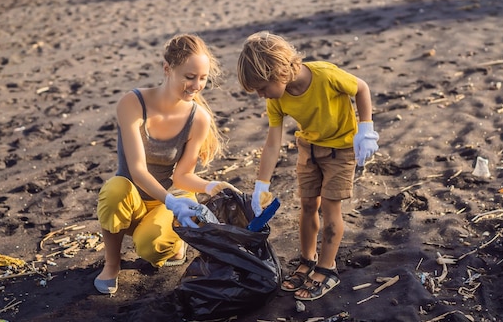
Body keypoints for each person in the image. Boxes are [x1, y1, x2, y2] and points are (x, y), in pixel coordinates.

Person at [236, 31, 379, 301]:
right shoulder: (276, 99)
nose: (260, 95)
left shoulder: (325, 75)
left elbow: (361, 88)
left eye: (262, 87)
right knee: (308, 205)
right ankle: (307, 260)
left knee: (330, 207)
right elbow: (272, 143)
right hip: (308, 149)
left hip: (340, 150)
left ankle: (328, 269)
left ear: (278, 70)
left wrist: (366, 129)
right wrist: (261, 186)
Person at [94, 33, 238, 295]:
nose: (196, 85)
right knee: (114, 190)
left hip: (166, 201)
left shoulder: (198, 118)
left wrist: (212, 186)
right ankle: (112, 264)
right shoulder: (133, 103)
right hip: (132, 197)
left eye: (203, 78)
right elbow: (137, 169)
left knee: (150, 247)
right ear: (167, 69)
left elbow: (183, 176)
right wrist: (172, 201)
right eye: (189, 76)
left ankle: (174, 245)